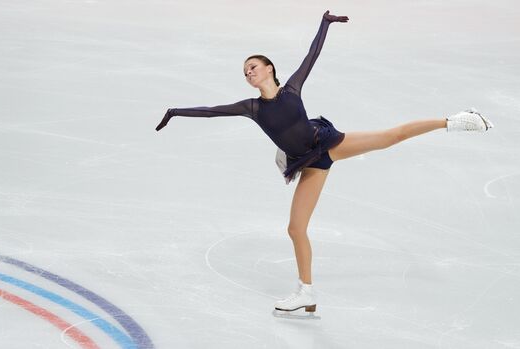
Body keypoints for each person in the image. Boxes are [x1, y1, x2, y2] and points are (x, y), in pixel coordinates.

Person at [155, 10, 493, 315]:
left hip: (326, 144)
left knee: (390, 137)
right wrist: (175, 111)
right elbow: (212, 111)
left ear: (269, 68)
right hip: (309, 163)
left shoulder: (291, 90)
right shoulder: (252, 107)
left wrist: (324, 23)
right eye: (245, 73)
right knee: (295, 228)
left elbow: (312, 54)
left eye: (253, 67)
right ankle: (307, 292)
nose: (249, 74)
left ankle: (458, 121)